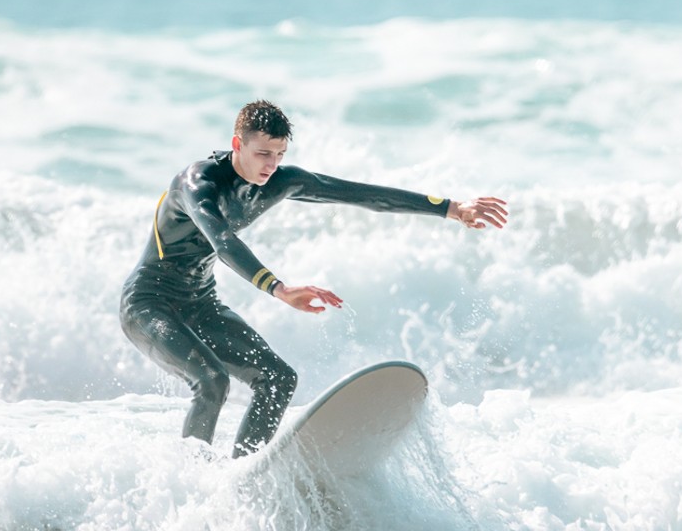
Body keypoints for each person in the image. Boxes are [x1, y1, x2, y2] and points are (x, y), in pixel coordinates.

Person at [120, 100, 507, 458]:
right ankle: (191, 478)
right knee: (211, 382)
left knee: (278, 379)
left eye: (280, 155)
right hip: (148, 304)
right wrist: (279, 288)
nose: (271, 165)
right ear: (237, 144)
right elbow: (222, 240)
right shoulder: (196, 183)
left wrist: (451, 209)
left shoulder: (279, 182)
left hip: (199, 303)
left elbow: (359, 194)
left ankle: (244, 474)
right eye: (263, 154)